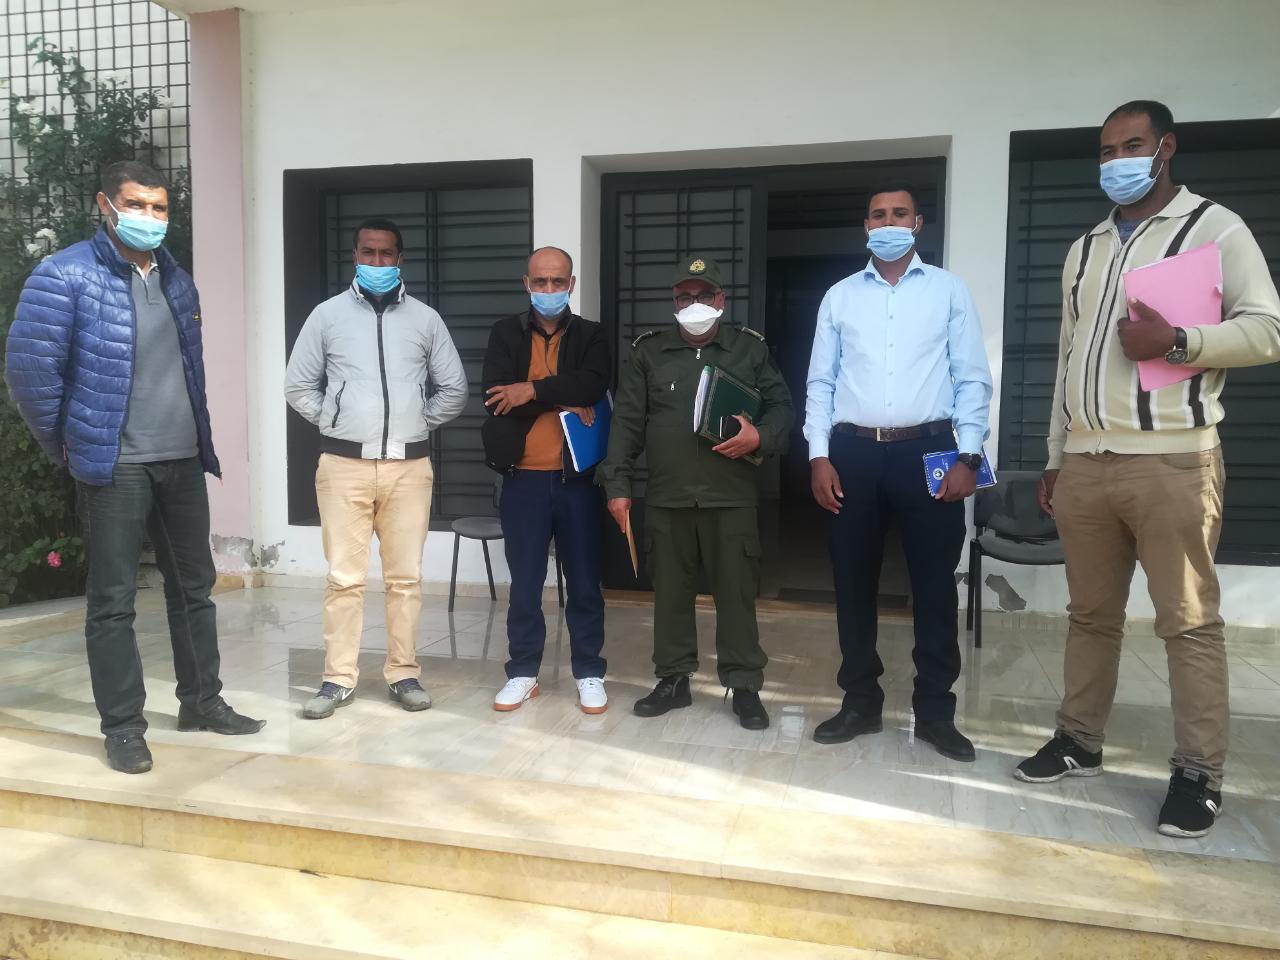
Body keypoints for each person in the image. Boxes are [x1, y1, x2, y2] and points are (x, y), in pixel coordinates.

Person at [1015, 101, 1280, 838]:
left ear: (1166, 148)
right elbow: (1068, 357)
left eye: (1131, 146)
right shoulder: (1085, 248)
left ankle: (1199, 773)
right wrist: (1056, 456)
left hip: (1173, 460)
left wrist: (1180, 341)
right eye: (1106, 151)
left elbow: (1268, 329)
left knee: (1188, 623)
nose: (1117, 162)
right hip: (1087, 464)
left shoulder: (1214, 228)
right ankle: (1079, 740)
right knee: (1089, 616)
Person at [5, 160, 264, 775]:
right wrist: (70, 445)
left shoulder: (177, 280)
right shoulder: (63, 275)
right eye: (136, 205)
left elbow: (187, 370)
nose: (150, 217)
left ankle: (202, 701)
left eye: (159, 207)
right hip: (116, 466)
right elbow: (30, 375)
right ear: (106, 205)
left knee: (194, 590)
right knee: (113, 601)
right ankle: (123, 727)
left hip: (181, 459)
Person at [805, 181, 992, 762]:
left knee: (934, 584)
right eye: (878, 214)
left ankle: (935, 711)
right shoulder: (839, 297)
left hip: (930, 450)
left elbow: (972, 378)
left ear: (918, 223)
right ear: (866, 226)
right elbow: (821, 382)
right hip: (853, 452)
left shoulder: (948, 290)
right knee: (852, 581)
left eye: (899, 213)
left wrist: (967, 455)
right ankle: (860, 701)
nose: (888, 222)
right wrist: (818, 455)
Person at [598, 255, 794, 730]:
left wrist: (760, 437)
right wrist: (617, 485)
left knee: (736, 595)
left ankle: (744, 684)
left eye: (704, 295)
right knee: (670, 595)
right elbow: (626, 424)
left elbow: (783, 408)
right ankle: (673, 679)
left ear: (721, 300)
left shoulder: (748, 350)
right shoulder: (648, 352)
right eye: (685, 297)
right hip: (668, 499)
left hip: (731, 499)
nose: (694, 304)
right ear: (674, 301)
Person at [284, 217, 467, 720]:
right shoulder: (327, 316)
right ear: (355, 257)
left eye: (387, 254)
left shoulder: (425, 319)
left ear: (400, 259)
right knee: (344, 579)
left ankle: (403, 673)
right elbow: (298, 385)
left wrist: (416, 423)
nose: (378, 262)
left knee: (405, 579)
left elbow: (454, 388)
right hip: (342, 466)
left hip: (409, 468)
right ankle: (337, 679)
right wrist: (336, 420)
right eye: (369, 253)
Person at [481, 246, 611, 713]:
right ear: (527, 283)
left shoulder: (592, 334)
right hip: (523, 482)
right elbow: (496, 398)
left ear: (571, 285)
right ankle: (523, 672)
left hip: (578, 481)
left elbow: (592, 385)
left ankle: (589, 671)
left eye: (558, 282)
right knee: (526, 584)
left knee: (584, 583)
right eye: (540, 281)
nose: (549, 289)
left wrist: (531, 391)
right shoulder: (505, 333)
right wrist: (560, 398)